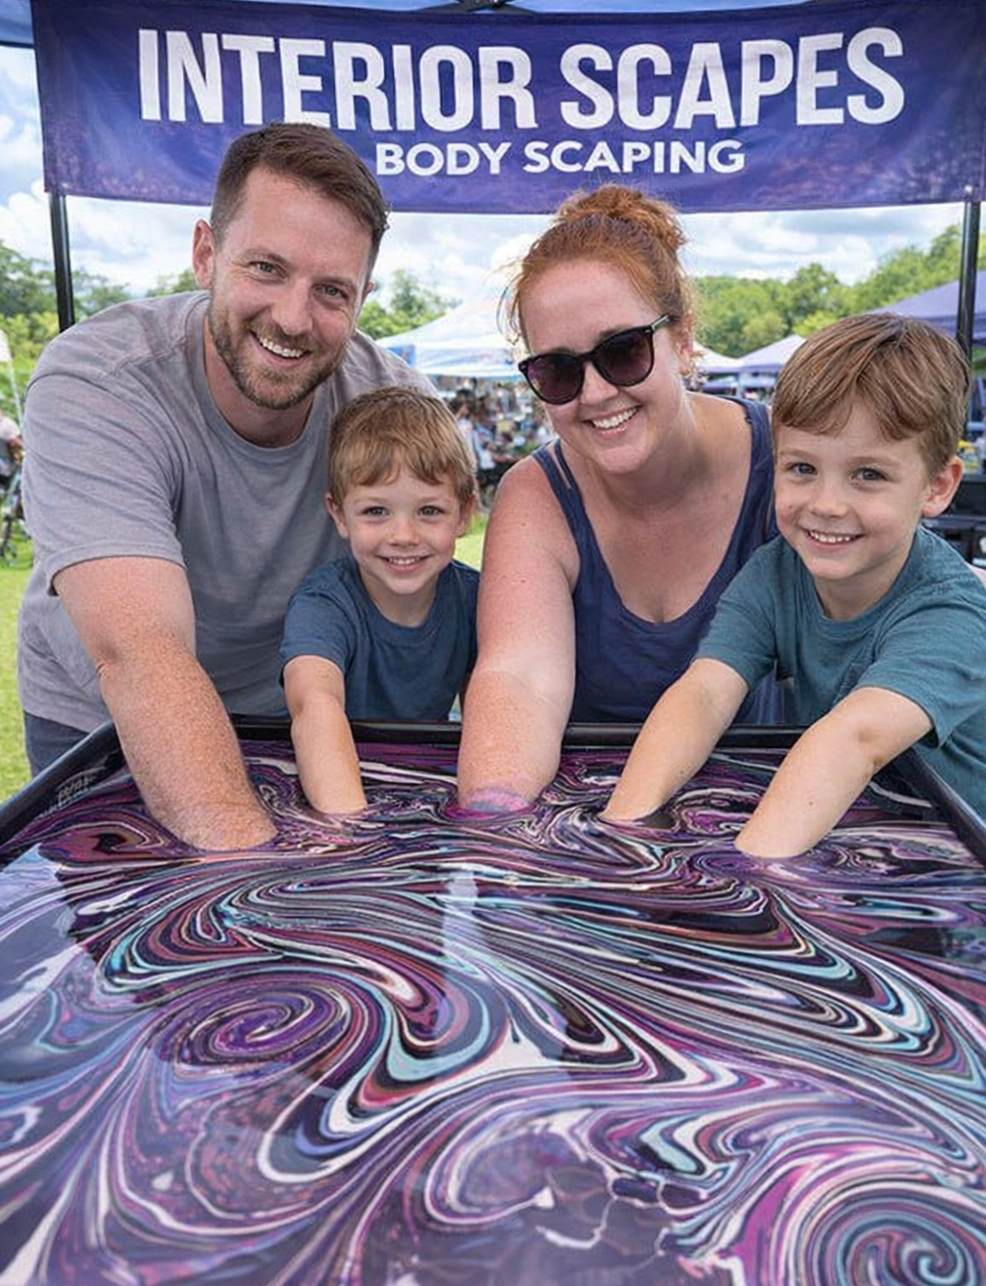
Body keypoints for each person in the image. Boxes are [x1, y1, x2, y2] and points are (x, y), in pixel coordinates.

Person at [19, 122, 431, 850]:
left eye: (332, 290)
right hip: (101, 719)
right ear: (206, 253)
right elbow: (139, 652)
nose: (293, 318)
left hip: (296, 715)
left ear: (364, 297)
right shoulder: (99, 381)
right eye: (266, 268)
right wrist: (249, 866)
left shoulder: (390, 401)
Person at [603, 314, 986, 857]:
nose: (827, 504)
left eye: (868, 474)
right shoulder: (774, 573)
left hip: (981, 864)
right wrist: (621, 832)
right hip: (868, 846)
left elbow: (854, 740)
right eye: (802, 468)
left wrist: (741, 878)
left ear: (937, 486)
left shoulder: (950, 608)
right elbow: (704, 692)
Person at [456, 183, 778, 813]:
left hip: (763, 808)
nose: (597, 392)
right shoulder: (539, 493)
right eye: (558, 371)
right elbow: (517, 681)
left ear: (682, 340)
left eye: (623, 351)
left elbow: (915, 582)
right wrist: (495, 822)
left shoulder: (785, 459)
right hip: (589, 821)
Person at [281, 388, 478, 816]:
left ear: (464, 513)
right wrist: (353, 831)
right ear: (338, 514)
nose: (403, 535)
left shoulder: (475, 598)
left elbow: (489, 712)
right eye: (376, 512)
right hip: (332, 781)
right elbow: (313, 705)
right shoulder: (324, 605)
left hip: (425, 788)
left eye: (429, 511)